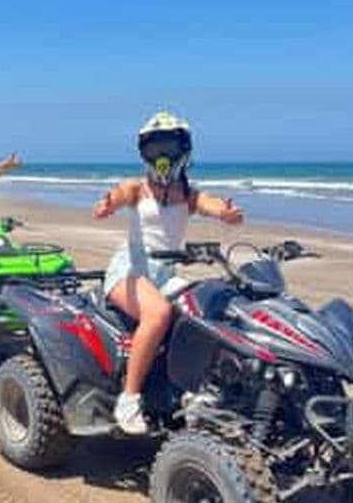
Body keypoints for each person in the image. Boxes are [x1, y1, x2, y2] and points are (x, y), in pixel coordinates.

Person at [93, 111, 243, 435]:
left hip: (167, 273)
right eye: (153, 148)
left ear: (183, 149)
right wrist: (107, 205)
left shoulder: (189, 195)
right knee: (158, 314)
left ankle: (195, 389)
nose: (161, 156)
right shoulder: (136, 188)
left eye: (168, 146)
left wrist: (227, 214)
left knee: (210, 310)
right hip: (129, 269)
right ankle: (129, 399)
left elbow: (214, 206)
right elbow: (116, 198)